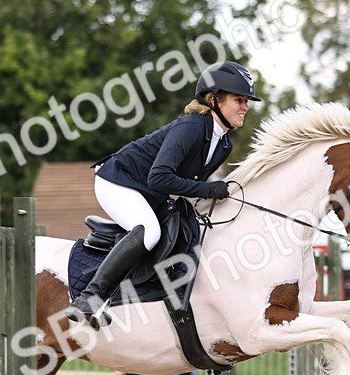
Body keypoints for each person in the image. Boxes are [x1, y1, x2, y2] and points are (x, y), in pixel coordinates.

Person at [66, 61, 262, 329]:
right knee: (149, 231)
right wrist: (208, 190)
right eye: (239, 100)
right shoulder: (192, 126)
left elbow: (181, 186)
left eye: (247, 101)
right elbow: (159, 177)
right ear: (214, 99)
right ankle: (89, 297)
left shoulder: (223, 144)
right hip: (119, 180)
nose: (245, 107)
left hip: (150, 191)